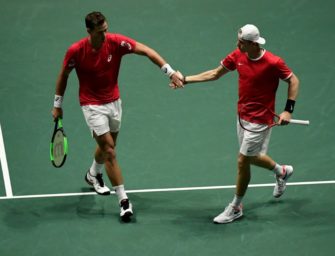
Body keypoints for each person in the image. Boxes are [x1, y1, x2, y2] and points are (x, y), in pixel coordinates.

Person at [52, 11, 183, 221]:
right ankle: (123, 201)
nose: (105, 35)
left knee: (108, 146)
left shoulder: (115, 42)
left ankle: (93, 174)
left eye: (106, 30)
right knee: (110, 151)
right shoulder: (76, 51)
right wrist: (57, 104)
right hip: (91, 105)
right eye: (100, 32)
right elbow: (63, 75)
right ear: (89, 31)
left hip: (114, 102)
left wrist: (170, 72)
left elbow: (146, 51)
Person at [171, 24, 299, 224]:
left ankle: (236, 206)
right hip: (242, 116)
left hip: (260, 120)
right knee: (253, 157)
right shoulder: (238, 55)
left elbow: (293, 81)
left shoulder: (273, 62)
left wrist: (288, 110)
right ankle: (282, 171)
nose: (237, 44)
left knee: (242, 160)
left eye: (241, 42)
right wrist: (185, 79)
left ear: (252, 43)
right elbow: (214, 74)